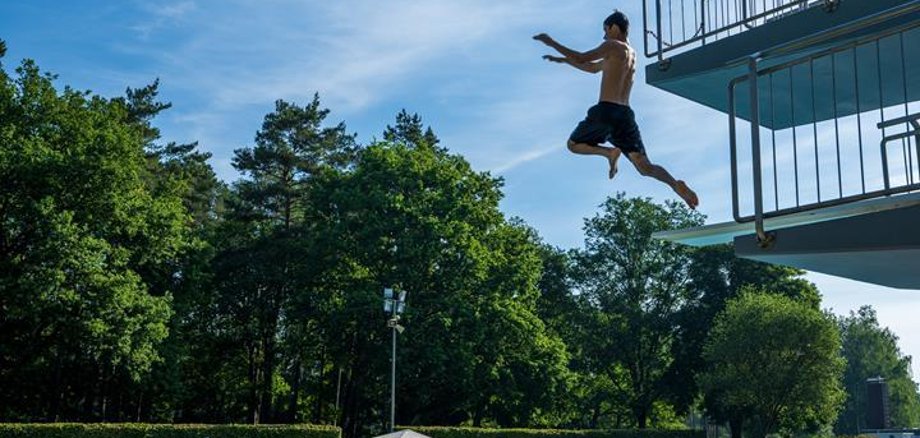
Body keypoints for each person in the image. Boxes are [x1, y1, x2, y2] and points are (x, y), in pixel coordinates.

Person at [534, 10, 699, 209]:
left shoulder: (612, 46)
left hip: (606, 111)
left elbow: (582, 58)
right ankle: (674, 184)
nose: (604, 36)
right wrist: (563, 60)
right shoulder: (630, 54)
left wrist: (552, 43)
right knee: (644, 167)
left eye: (605, 30)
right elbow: (592, 68)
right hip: (625, 116)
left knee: (573, 145)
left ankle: (609, 152)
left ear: (614, 27)